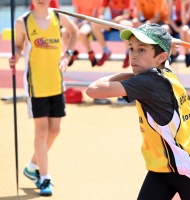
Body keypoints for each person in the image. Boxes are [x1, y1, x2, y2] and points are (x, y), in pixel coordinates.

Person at [86, 23, 190, 200]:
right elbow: (160, 60)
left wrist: (129, 75)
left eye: (142, 50)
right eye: (131, 48)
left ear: (161, 57)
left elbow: (93, 89)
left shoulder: (147, 82)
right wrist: (166, 44)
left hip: (186, 169)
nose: (133, 56)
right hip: (161, 167)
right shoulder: (163, 71)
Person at [8, 0, 78, 196]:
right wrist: (16, 55)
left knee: (54, 131)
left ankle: (32, 166)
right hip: (36, 85)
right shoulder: (23, 22)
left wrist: (67, 55)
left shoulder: (58, 16)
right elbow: (19, 47)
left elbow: (74, 32)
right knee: (42, 130)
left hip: (56, 83)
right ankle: (45, 177)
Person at [91, 0, 135, 68]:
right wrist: (101, 18)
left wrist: (112, 22)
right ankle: (106, 51)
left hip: (127, 21)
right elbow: (101, 13)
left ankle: (128, 53)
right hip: (113, 22)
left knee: (123, 24)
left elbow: (126, 15)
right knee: (94, 23)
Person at [61, 0, 100, 67]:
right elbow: (76, 15)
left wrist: (81, 24)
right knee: (64, 31)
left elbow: (93, 16)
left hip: (90, 21)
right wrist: (75, 24)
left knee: (82, 33)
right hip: (79, 21)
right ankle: (73, 52)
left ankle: (90, 53)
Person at [162, 0, 190, 67]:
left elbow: (185, 21)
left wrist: (183, 4)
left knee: (183, 29)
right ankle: (173, 53)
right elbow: (168, 17)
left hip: (188, 23)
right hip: (176, 23)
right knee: (164, 29)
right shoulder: (172, 1)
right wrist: (176, 29)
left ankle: (187, 53)